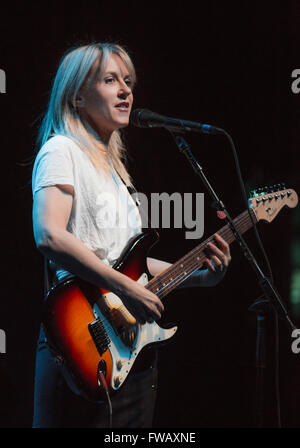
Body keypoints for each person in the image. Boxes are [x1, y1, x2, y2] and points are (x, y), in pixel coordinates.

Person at [31, 42, 231, 428]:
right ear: (77, 93)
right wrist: (124, 288)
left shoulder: (115, 173)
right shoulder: (62, 150)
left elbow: (129, 264)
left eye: (129, 81)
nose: (126, 90)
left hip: (127, 352)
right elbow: (50, 235)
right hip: (80, 342)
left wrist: (199, 274)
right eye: (110, 80)